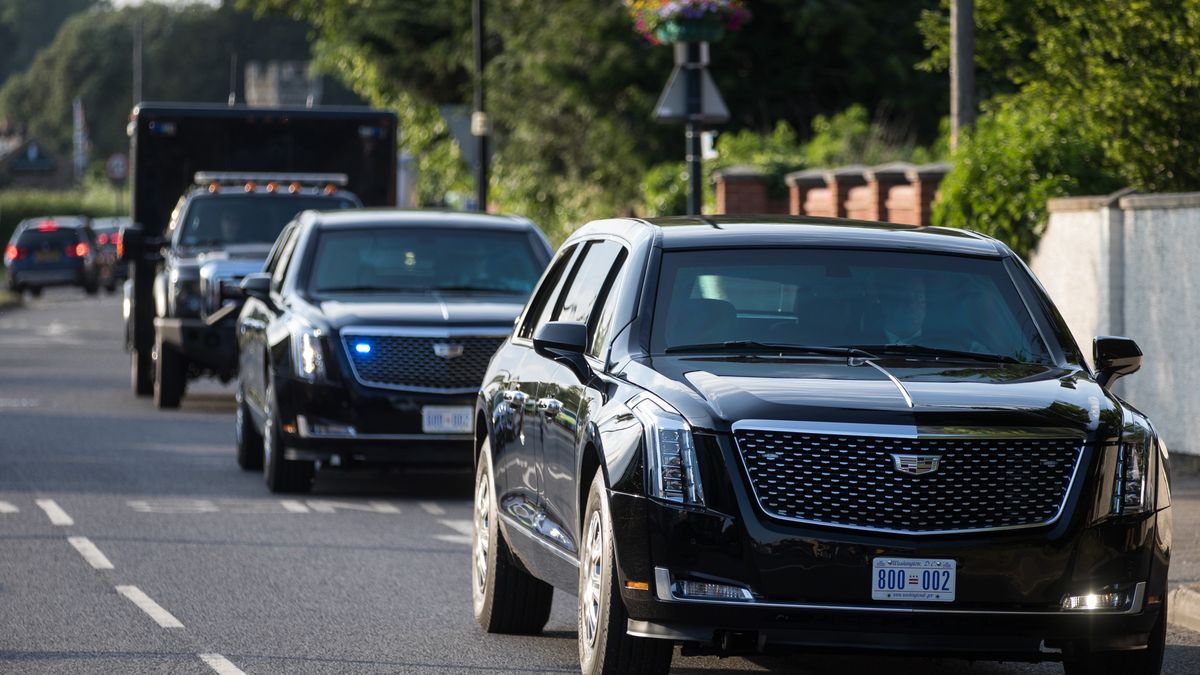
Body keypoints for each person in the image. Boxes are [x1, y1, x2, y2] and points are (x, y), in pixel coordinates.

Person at [879, 273, 927, 345]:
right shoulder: (865, 343)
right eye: (903, 298)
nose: (912, 306)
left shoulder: (942, 346)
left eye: (918, 296)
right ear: (885, 304)